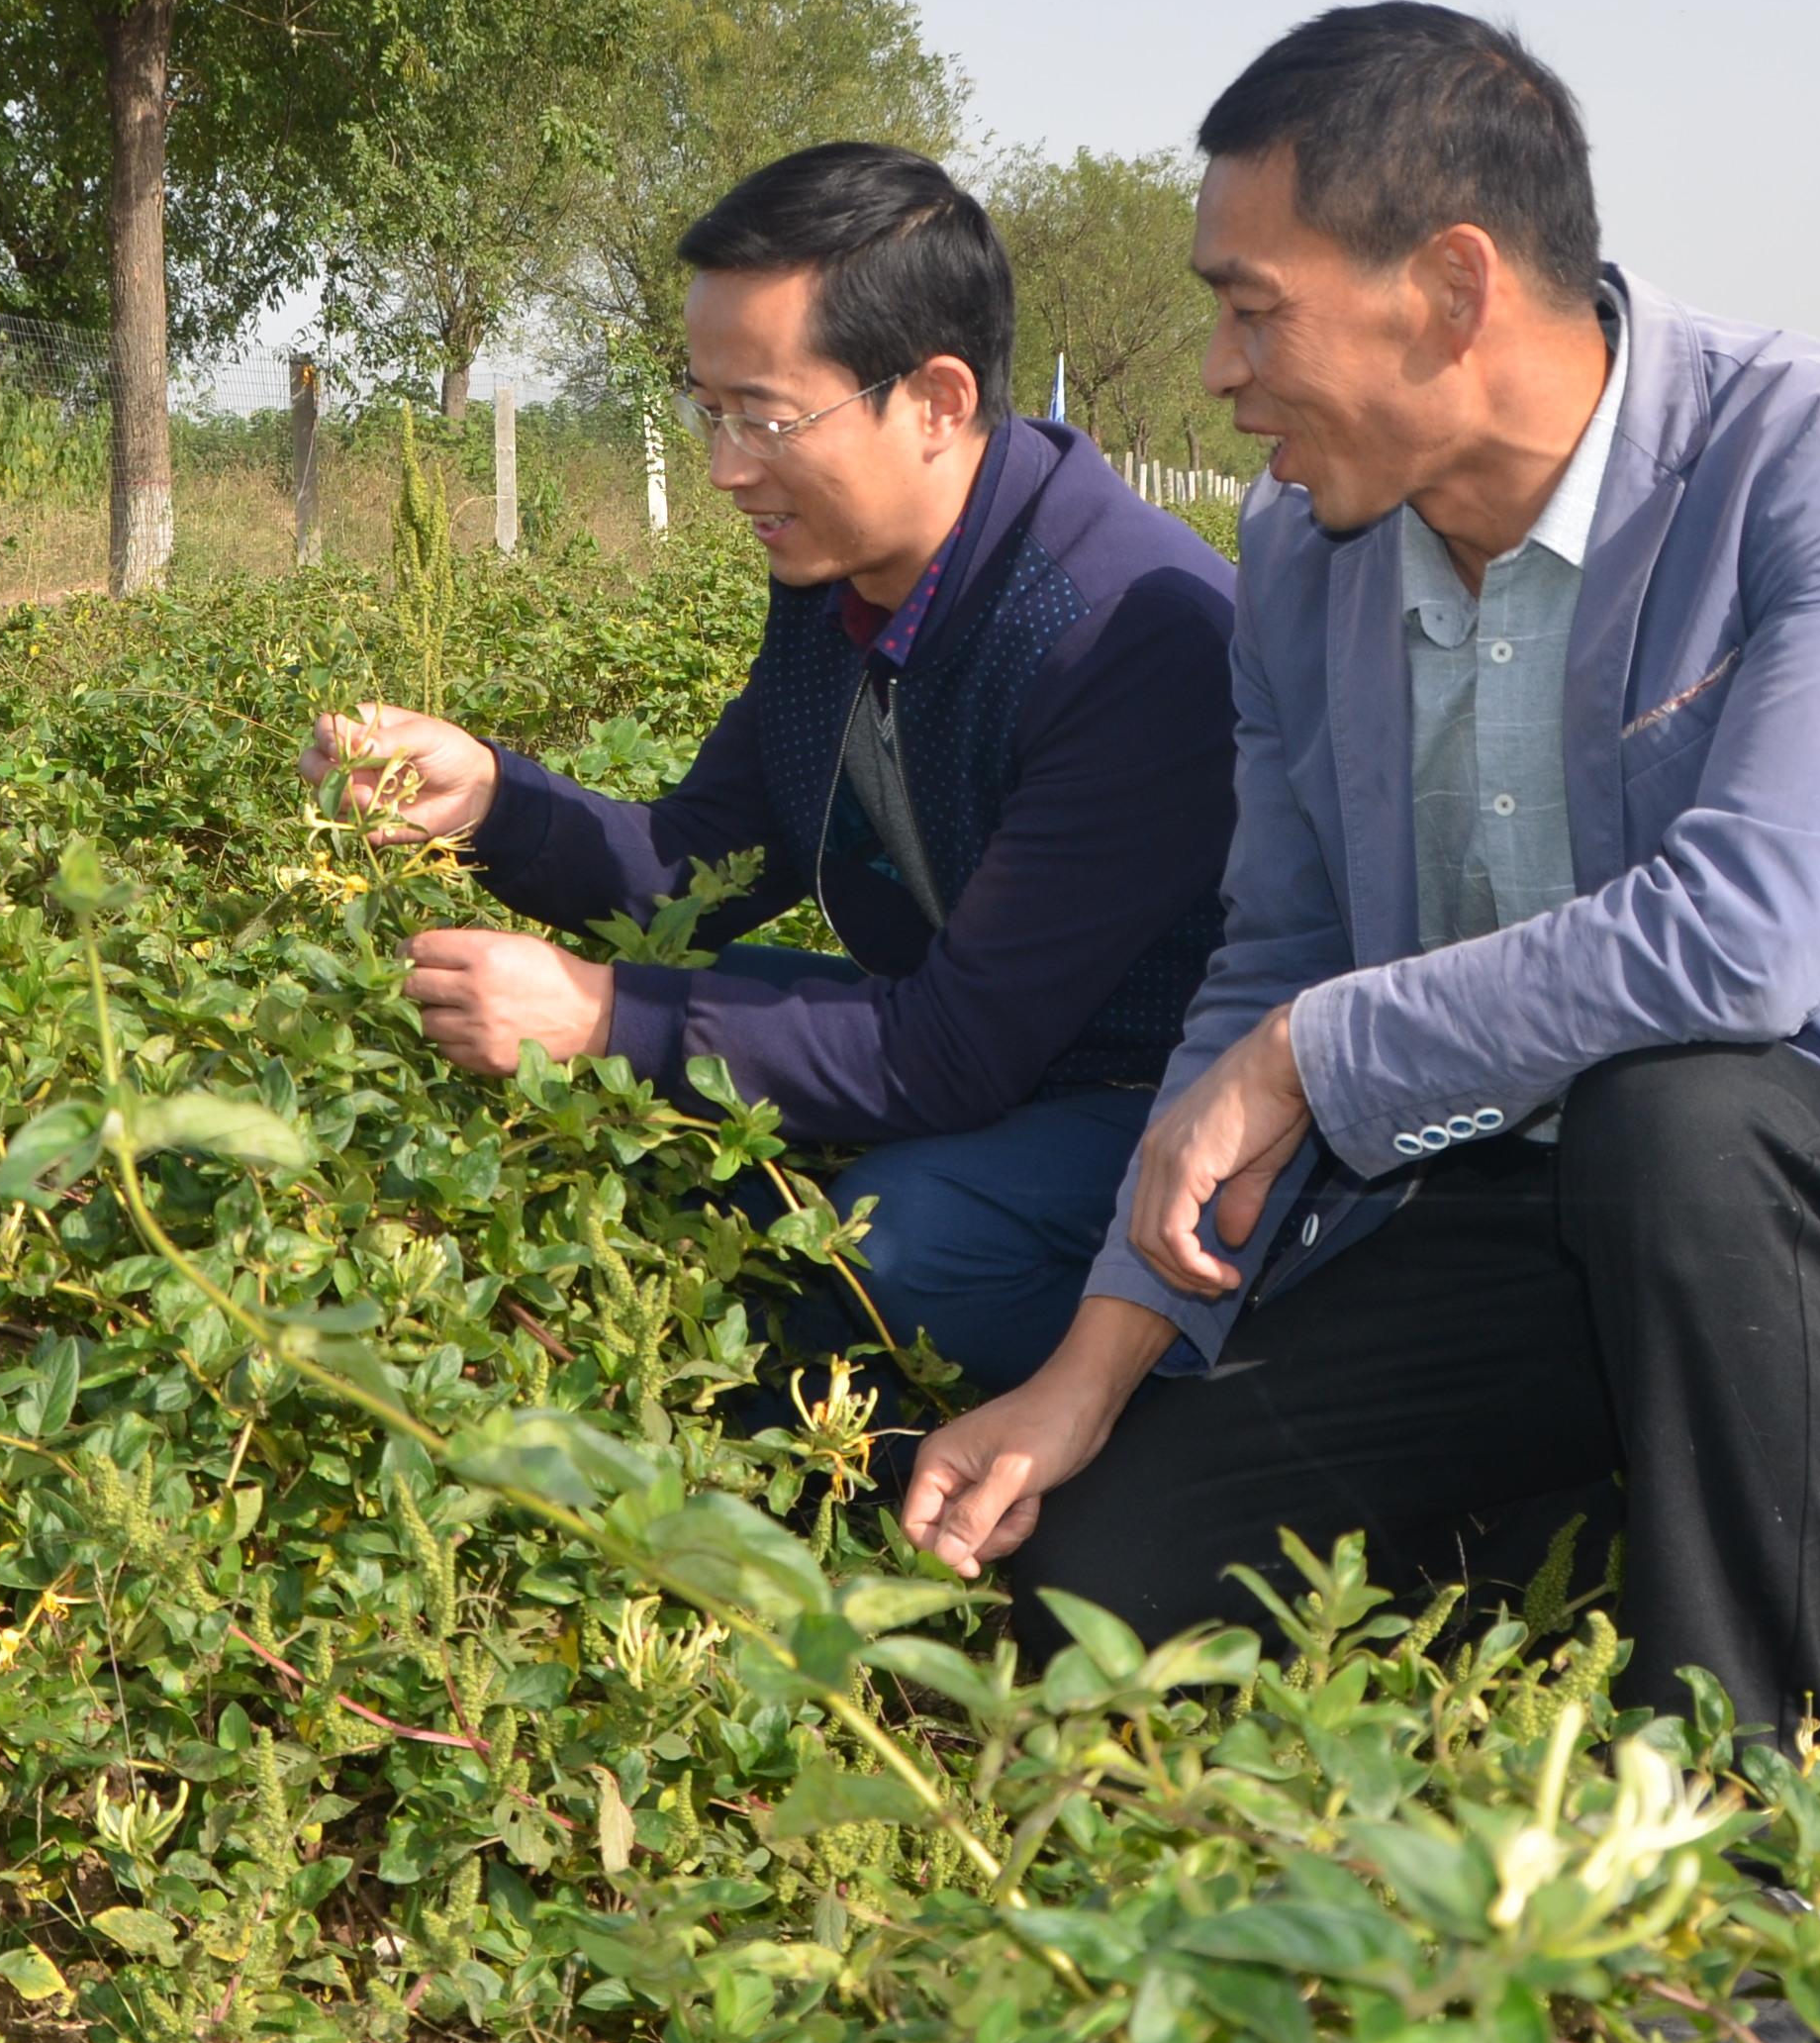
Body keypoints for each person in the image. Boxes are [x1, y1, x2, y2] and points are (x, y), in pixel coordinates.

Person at [897, 5, 1820, 1750]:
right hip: (1473, 1202)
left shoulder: (1807, 457)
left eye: (1252, 306)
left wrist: (1316, 1051)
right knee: (1098, 1591)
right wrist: (1084, 1375)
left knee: (1677, 1118)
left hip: (1781, 1217)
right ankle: (1574, 1518)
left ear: (1449, 289)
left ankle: (1744, 1817)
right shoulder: (1297, 557)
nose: (1221, 370)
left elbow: (1754, 935)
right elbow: (1276, 953)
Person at [302, 143, 1238, 1394]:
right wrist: (487, 795)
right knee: (542, 1017)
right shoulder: (837, 572)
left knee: (895, 1244)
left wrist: (595, 1017)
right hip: (980, 1036)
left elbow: (951, 1053)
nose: (727, 468)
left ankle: (1157, 1418)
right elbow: (696, 865)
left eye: (767, 417)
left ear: (938, 401)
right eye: (709, 411)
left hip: (1159, 1096)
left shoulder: (1123, 633)